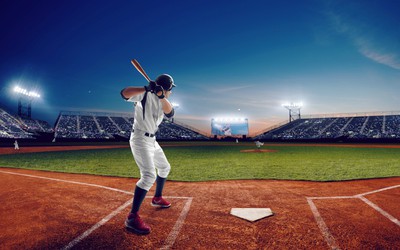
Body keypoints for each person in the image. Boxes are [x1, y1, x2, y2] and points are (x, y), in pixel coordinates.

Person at [120, 74, 176, 235]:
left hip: (152, 140)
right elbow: (123, 93)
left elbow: (170, 112)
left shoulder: (163, 99)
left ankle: (157, 198)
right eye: (171, 90)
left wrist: (160, 95)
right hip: (139, 138)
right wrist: (146, 88)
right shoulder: (144, 94)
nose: (171, 93)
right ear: (168, 88)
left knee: (165, 167)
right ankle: (132, 217)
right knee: (149, 175)